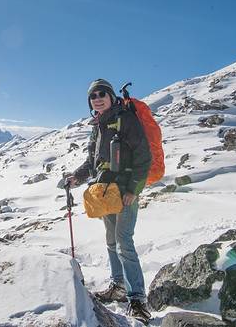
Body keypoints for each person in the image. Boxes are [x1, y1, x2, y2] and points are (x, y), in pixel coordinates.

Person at [67, 78, 152, 323]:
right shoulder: (98, 126)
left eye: (102, 93)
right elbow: (92, 163)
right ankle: (118, 286)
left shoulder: (125, 119)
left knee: (124, 241)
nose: (97, 98)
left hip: (124, 191)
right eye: (93, 96)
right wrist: (76, 177)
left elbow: (143, 156)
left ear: (111, 96)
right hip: (104, 192)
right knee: (111, 240)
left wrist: (133, 189)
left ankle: (137, 299)